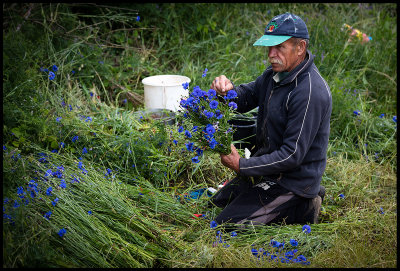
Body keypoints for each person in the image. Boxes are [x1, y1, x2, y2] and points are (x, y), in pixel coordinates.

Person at [209, 12, 332, 227]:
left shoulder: (310, 92)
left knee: (225, 224)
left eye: (279, 48)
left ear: (300, 47)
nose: (271, 55)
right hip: (270, 172)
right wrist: (224, 91)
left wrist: (241, 165)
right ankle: (278, 197)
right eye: (269, 47)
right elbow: (245, 98)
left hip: (292, 181)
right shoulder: (275, 75)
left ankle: (304, 204)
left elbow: (291, 155)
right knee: (216, 203)